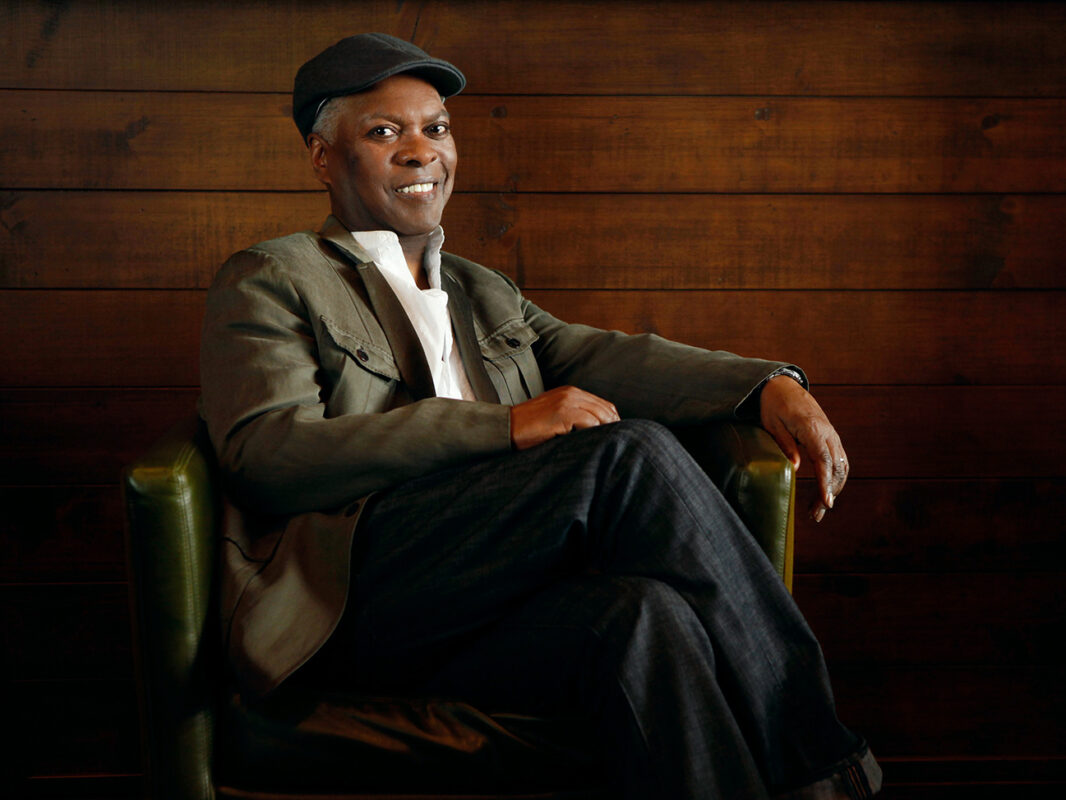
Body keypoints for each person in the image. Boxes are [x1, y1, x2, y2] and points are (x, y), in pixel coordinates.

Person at [199, 33, 882, 799]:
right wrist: (503, 427)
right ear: (324, 157)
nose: (421, 151)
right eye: (384, 132)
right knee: (629, 456)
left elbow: (610, 356)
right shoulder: (273, 278)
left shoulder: (479, 288)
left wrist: (767, 386)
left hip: (493, 599)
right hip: (361, 596)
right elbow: (267, 455)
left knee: (646, 616)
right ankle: (826, 766)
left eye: (437, 128)